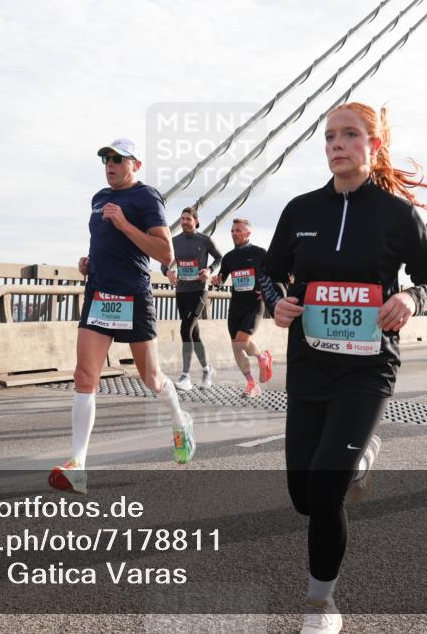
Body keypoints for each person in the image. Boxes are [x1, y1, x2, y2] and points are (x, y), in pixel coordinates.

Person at [259, 103, 427, 633]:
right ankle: (361, 451)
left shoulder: (396, 215)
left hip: (367, 370)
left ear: (373, 146)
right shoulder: (299, 211)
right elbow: (269, 277)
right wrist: (276, 303)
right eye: (330, 137)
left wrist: (411, 297)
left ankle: (321, 605)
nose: (337, 144)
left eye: (350, 135)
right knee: (302, 495)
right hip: (310, 367)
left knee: (324, 490)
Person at [49, 138, 195, 495]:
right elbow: (102, 242)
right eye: (106, 159)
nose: (110, 164)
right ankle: (78, 465)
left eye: (118, 159)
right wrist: (88, 263)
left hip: (134, 296)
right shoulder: (99, 198)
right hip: (100, 293)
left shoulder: (147, 197)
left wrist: (126, 225)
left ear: (136, 164)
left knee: (151, 377)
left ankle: (181, 422)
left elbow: (165, 253)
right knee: (85, 376)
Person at [209, 218, 273, 398]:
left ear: (248, 233)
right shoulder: (229, 257)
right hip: (236, 306)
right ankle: (252, 383)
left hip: (254, 304)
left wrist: (268, 290)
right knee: (236, 347)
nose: (234, 233)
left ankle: (263, 357)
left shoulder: (260, 253)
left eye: (238, 230)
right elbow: (221, 279)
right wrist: (216, 280)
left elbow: (274, 274)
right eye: (232, 231)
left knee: (242, 340)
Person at [162, 206, 222, 391]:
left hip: (199, 291)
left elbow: (219, 258)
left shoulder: (205, 240)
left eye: (188, 219)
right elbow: (164, 263)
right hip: (182, 291)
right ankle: (207, 370)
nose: (185, 222)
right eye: (182, 219)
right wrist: (168, 273)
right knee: (193, 334)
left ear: (196, 221)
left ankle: (185, 375)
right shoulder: (175, 241)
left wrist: (209, 270)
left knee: (185, 329)